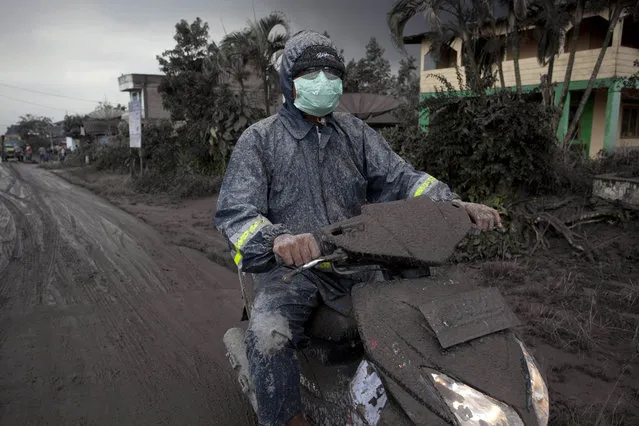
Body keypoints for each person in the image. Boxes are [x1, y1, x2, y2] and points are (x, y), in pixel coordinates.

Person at [215, 30, 502, 426]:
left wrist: (453, 204)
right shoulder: (260, 141)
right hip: (295, 273)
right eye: (311, 74)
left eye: (331, 74)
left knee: (424, 315)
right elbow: (236, 212)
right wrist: (278, 239)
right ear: (289, 81)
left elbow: (403, 178)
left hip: (362, 261)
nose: (323, 83)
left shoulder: (354, 133)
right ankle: (284, 418)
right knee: (269, 335)